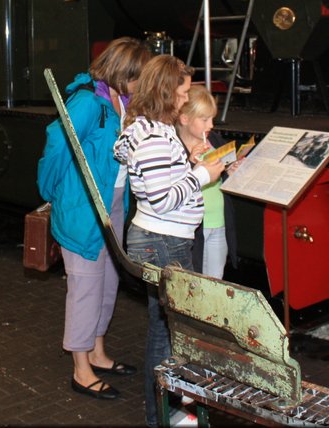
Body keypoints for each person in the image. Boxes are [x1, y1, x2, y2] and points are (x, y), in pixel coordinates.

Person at [37, 37, 152, 401]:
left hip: (112, 204)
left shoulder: (123, 101)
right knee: (85, 287)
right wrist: (53, 192)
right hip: (83, 206)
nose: (142, 84)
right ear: (121, 73)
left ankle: (97, 352)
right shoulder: (88, 101)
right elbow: (57, 145)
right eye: (138, 77)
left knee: (107, 282)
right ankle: (80, 368)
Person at [113, 55, 225, 427]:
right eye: (182, 92)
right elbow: (162, 199)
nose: (185, 98)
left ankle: (165, 412)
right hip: (165, 242)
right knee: (168, 334)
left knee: (165, 330)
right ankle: (162, 416)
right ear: (165, 92)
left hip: (161, 240)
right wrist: (201, 175)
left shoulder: (148, 129)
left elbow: (157, 182)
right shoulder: (154, 137)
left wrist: (186, 163)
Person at [175, 84, 241, 279]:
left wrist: (232, 170)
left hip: (219, 222)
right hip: (194, 228)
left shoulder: (214, 141)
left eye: (212, 118)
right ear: (184, 119)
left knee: (215, 279)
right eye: (204, 120)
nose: (210, 125)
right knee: (194, 279)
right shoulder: (174, 146)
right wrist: (190, 163)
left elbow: (223, 174)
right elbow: (173, 187)